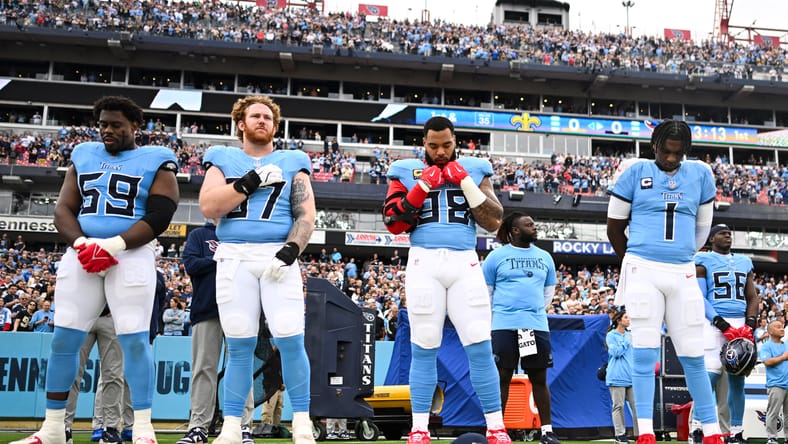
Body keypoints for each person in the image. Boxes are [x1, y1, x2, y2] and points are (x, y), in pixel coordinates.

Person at [10, 95, 180, 444]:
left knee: (134, 340)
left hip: (130, 254)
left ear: (135, 126)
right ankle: (54, 428)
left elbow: (161, 214)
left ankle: (143, 429)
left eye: (115, 124)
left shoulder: (157, 159)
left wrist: (115, 244)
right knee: (63, 340)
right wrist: (82, 244)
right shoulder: (84, 154)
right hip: (84, 253)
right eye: (103, 123)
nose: (107, 130)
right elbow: (63, 209)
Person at [383, 116, 510, 444]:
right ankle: (419, 429)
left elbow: (495, 221)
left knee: (480, 345)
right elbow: (394, 223)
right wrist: (423, 185)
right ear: (423, 143)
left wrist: (465, 182)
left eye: (447, 145)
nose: (440, 152)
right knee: (424, 346)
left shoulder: (475, 168)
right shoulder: (405, 169)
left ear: (457, 142)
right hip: (423, 261)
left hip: (464, 261)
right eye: (433, 146)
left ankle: (496, 427)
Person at [198, 95, 316, 444]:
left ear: (275, 126)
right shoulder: (222, 157)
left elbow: (306, 215)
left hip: (277, 255)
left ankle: (303, 423)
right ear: (241, 123)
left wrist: (291, 250)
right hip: (234, 254)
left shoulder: (293, 160)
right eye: (255, 116)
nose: (262, 120)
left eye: (268, 117)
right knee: (239, 345)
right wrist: (248, 182)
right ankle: (233, 425)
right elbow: (208, 206)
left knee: (290, 338)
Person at [606, 119, 723, 444]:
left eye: (677, 154)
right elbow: (614, 228)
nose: (671, 159)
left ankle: (712, 431)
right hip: (644, 268)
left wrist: (679, 256)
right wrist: (634, 263)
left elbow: (702, 230)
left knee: (693, 354)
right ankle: (644, 430)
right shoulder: (633, 170)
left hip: (682, 271)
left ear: (685, 151)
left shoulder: (700, 174)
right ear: (653, 145)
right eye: (665, 152)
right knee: (643, 352)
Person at [481, 212, 559, 444]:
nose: (534, 227)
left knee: (538, 377)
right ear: (515, 230)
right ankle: (497, 429)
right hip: (504, 325)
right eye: (529, 225)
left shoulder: (545, 257)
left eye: (534, 224)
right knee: (503, 376)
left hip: (533, 326)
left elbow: (548, 292)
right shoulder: (496, 257)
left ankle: (546, 431)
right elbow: (488, 292)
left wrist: (530, 312)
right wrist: (505, 314)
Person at [177, 220, 256, 444]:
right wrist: (224, 259)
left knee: (241, 369)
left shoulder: (244, 233)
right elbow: (191, 264)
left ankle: (244, 427)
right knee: (203, 369)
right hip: (206, 309)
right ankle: (198, 428)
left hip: (241, 309)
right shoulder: (199, 235)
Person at [691, 224, 759, 444]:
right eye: (722, 232)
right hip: (713, 322)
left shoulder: (744, 262)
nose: (728, 235)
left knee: (738, 380)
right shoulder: (703, 261)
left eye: (730, 232)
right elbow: (700, 297)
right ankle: (697, 428)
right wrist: (721, 324)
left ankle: (736, 431)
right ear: (711, 239)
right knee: (708, 377)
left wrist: (749, 324)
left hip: (740, 323)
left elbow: (752, 297)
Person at [64, 308, 134, 444]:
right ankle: (64, 427)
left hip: (110, 317)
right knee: (71, 374)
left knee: (113, 375)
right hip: (82, 315)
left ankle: (110, 429)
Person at [605, 310, 638, 444]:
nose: (628, 320)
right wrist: (625, 341)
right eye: (626, 317)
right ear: (619, 320)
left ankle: (639, 434)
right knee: (618, 406)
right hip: (617, 376)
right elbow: (615, 352)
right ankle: (620, 434)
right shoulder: (611, 335)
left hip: (631, 376)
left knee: (636, 406)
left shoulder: (630, 335)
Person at [759, 320, 788, 444]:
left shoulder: (786, 345)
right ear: (770, 331)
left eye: (782, 327)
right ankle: (772, 437)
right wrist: (783, 357)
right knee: (773, 412)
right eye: (778, 327)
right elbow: (767, 362)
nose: (782, 329)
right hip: (776, 385)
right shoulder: (766, 346)